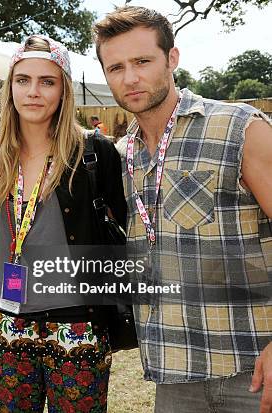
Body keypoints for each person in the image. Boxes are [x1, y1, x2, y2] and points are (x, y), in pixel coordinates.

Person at [93, 6, 272, 412]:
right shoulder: (123, 154)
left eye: (142, 61)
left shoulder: (238, 129)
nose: (130, 77)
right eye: (116, 67)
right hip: (173, 374)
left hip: (252, 372)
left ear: (172, 59)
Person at [0, 35, 126, 412]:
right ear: (9, 87)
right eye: (22, 80)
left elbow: (123, 225)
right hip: (6, 323)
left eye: (47, 81)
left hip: (77, 326)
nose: (33, 92)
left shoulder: (94, 153)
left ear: (64, 90)